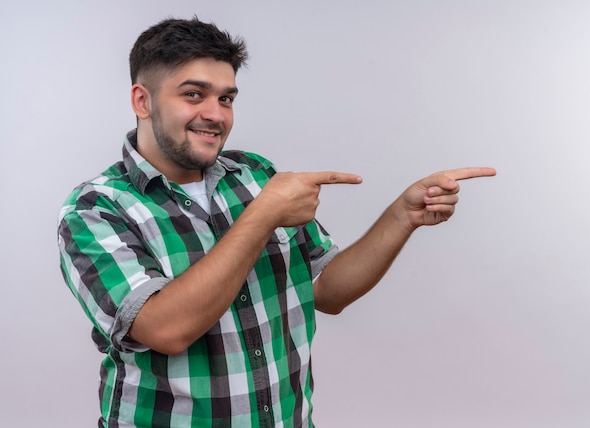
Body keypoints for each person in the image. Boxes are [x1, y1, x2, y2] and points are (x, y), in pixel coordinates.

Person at [57, 17, 496, 428]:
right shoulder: (94, 209)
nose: (216, 114)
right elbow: (165, 329)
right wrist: (264, 215)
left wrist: (402, 216)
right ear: (142, 100)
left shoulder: (256, 176)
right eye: (194, 94)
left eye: (226, 98)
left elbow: (327, 289)